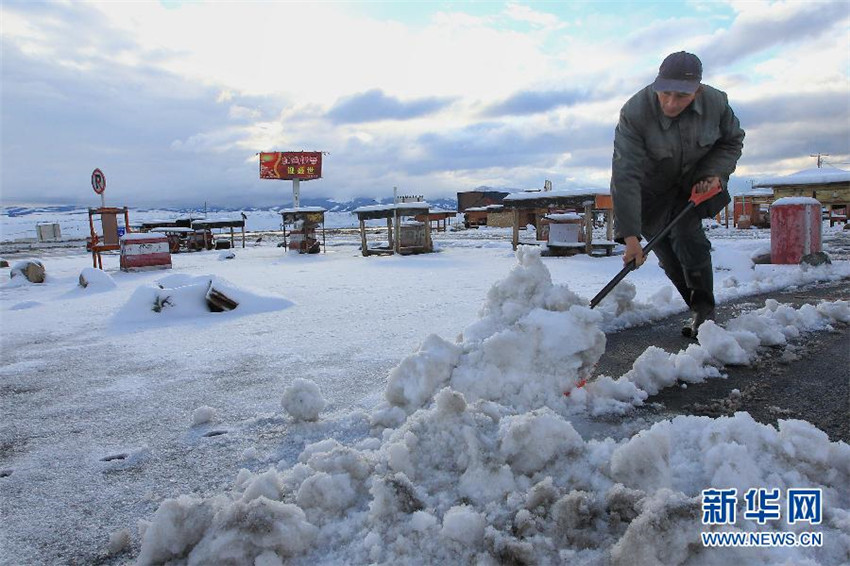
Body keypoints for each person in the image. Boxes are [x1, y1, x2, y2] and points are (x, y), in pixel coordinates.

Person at [610, 51, 745, 338]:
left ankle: (704, 312)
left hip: (692, 188)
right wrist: (631, 237)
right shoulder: (635, 112)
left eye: (681, 96)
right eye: (665, 93)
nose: (671, 103)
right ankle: (695, 305)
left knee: (688, 238)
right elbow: (626, 175)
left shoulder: (716, 103)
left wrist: (714, 174)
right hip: (650, 196)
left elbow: (732, 141)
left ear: (697, 91)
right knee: (670, 259)